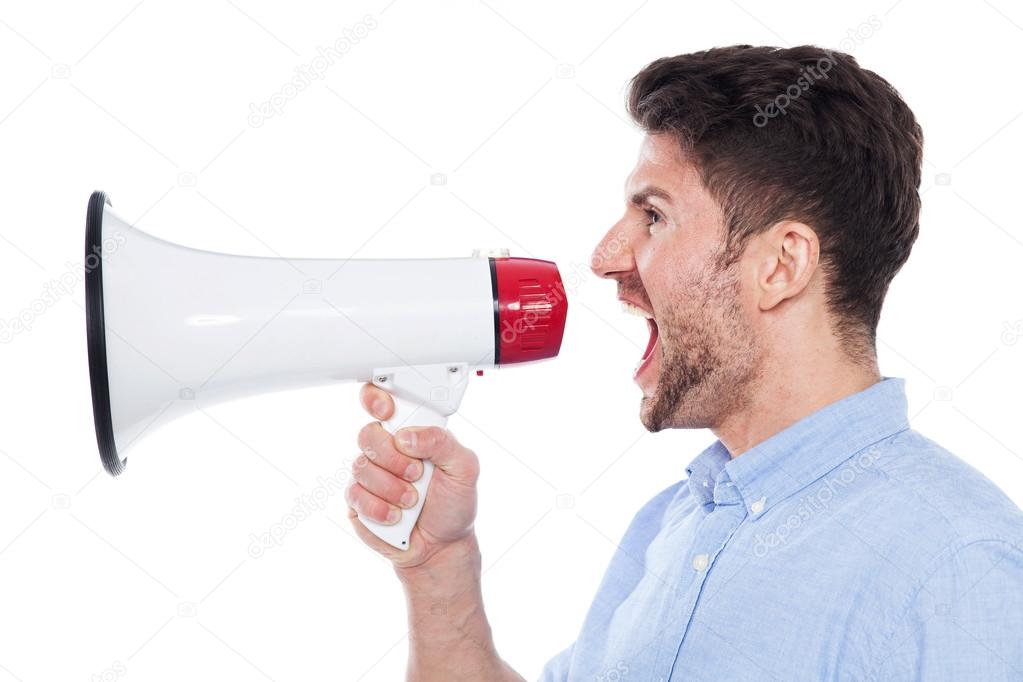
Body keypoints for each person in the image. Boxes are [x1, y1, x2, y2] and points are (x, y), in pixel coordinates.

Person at [344, 45, 1023, 680]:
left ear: (780, 266)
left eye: (653, 215)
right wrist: (439, 569)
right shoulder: (673, 526)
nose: (606, 258)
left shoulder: (959, 564)